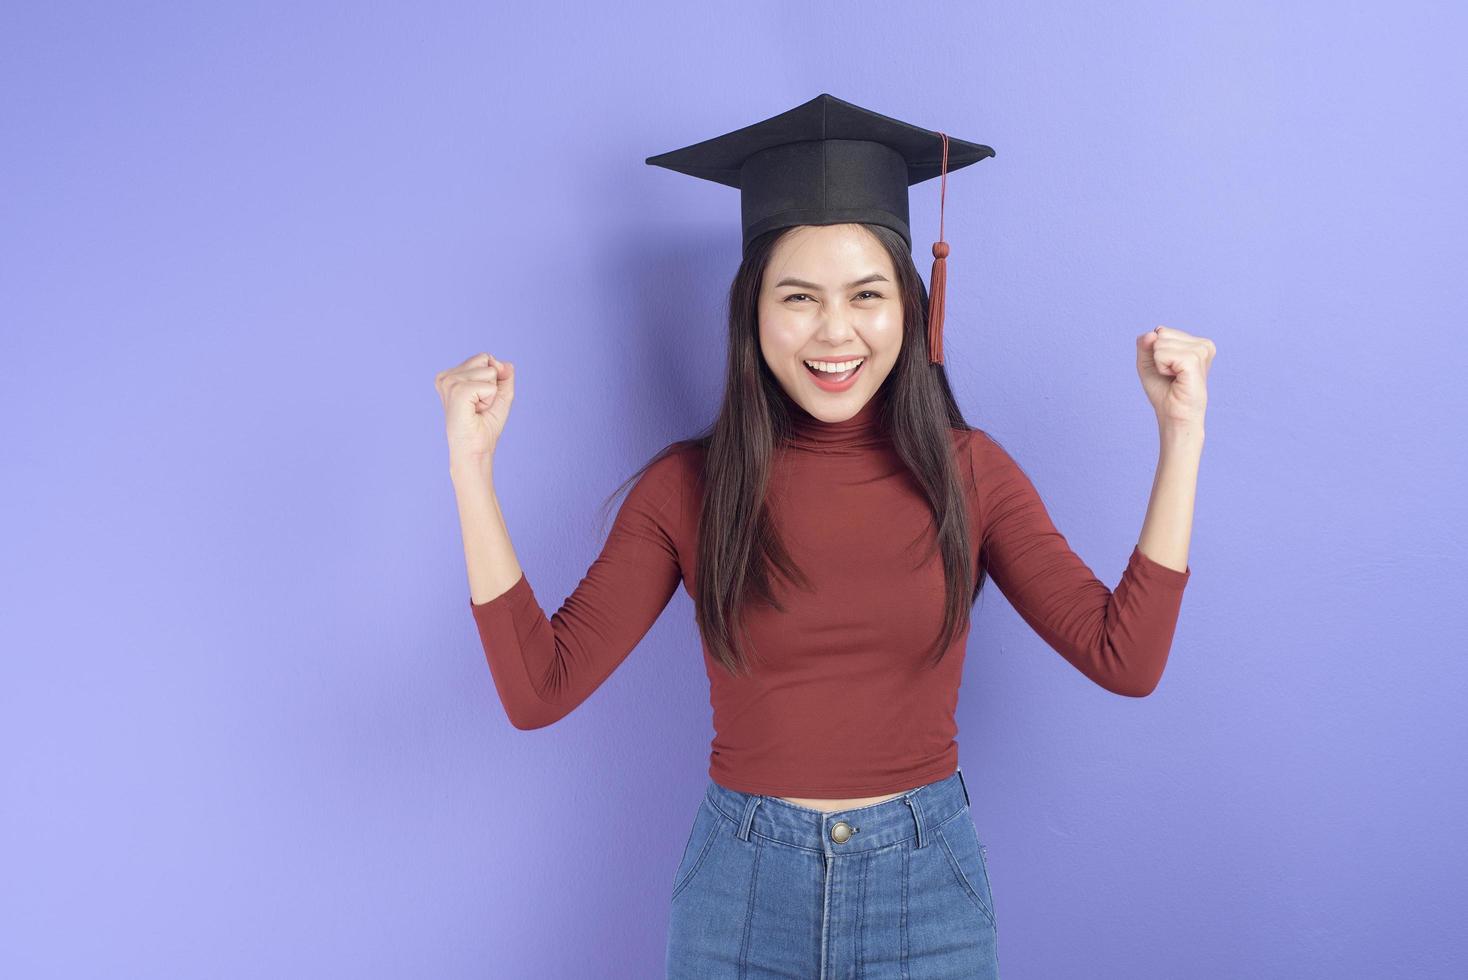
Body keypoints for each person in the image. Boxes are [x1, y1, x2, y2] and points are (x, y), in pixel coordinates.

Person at [434, 93, 1212, 979]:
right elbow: (540, 688)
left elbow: (1127, 657)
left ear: (912, 310)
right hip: (741, 892)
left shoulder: (971, 475)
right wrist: (470, 471)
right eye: (798, 297)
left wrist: (1181, 435)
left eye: (867, 296)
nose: (834, 332)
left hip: (927, 892)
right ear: (753, 313)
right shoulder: (687, 488)